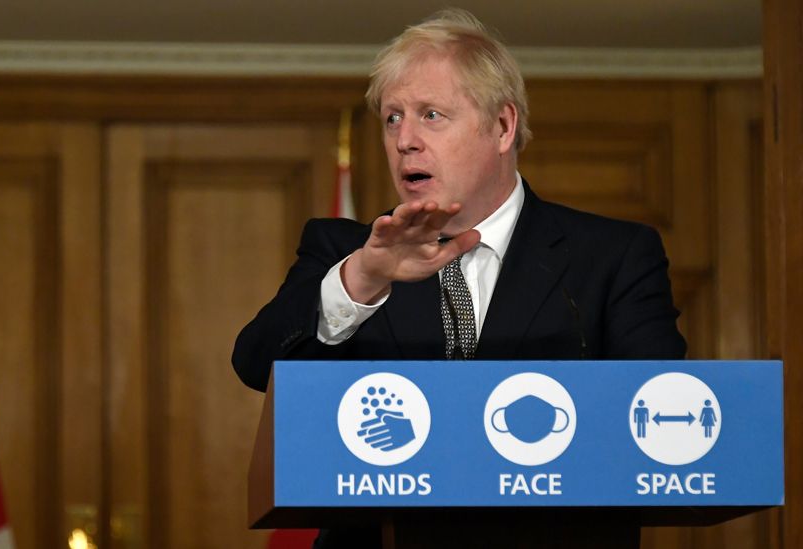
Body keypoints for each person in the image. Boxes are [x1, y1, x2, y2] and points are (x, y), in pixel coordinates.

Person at [233, 9, 686, 548]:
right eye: (392, 118)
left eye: (430, 114)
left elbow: (657, 420)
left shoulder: (613, 256)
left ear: (502, 127)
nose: (404, 140)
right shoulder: (345, 252)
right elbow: (256, 364)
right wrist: (361, 280)